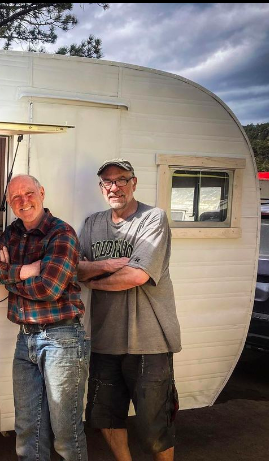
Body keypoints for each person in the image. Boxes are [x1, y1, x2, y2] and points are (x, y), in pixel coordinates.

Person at [77, 159, 181, 461]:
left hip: (150, 341)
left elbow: (137, 276)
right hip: (105, 340)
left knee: (154, 426)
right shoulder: (93, 224)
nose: (115, 187)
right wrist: (106, 266)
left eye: (121, 180)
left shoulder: (153, 219)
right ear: (101, 188)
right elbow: (75, 269)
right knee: (105, 416)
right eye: (108, 182)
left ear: (133, 183)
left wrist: (94, 281)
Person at [0, 174, 89, 461]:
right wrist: (23, 271)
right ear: (9, 203)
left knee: (66, 433)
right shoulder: (13, 232)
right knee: (28, 430)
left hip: (62, 339)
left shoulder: (61, 234)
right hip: (25, 338)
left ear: (41, 192)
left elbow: (49, 288)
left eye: (28, 193)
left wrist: (7, 276)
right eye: (15, 197)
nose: (23, 201)